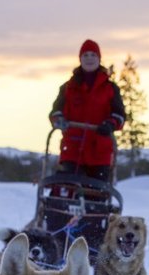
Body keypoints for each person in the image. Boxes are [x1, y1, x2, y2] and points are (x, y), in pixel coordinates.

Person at [49, 39, 126, 182]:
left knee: (95, 191)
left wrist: (110, 124)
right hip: (72, 149)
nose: (89, 58)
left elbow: (119, 115)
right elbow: (55, 111)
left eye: (93, 55)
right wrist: (59, 120)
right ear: (80, 59)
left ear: (99, 58)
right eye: (85, 55)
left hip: (99, 152)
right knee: (65, 187)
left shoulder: (110, 88)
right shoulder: (68, 88)